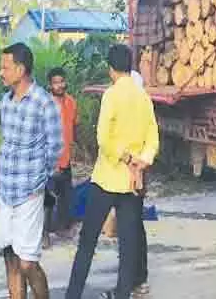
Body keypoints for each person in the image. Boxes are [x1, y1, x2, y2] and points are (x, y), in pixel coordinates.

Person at [65, 44, 159, 299]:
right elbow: (153, 138)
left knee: (88, 241)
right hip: (132, 182)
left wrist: (126, 157)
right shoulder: (144, 97)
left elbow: (103, 139)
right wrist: (142, 161)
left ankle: (73, 294)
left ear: (110, 68)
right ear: (130, 66)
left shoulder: (112, 95)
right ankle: (122, 295)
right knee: (128, 245)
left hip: (107, 178)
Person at [0, 42, 62, 299]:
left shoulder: (44, 103)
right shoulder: (5, 103)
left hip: (29, 194)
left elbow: (55, 148)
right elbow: (7, 144)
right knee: (10, 257)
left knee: (27, 262)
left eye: (5, 67)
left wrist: (38, 185)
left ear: (20, 69)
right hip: (5, 191)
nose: (0, 72)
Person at [42, 67, 79, 249]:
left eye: (62, 81)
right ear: (50, 85)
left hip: (66, 159)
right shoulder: (45, 104)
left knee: (66, 196)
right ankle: (44, 234)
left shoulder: (71, 102)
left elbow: (73, 127)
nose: (59, 85)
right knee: (47, 199)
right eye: (55, 82)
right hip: (49, 161)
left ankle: (62, 228)